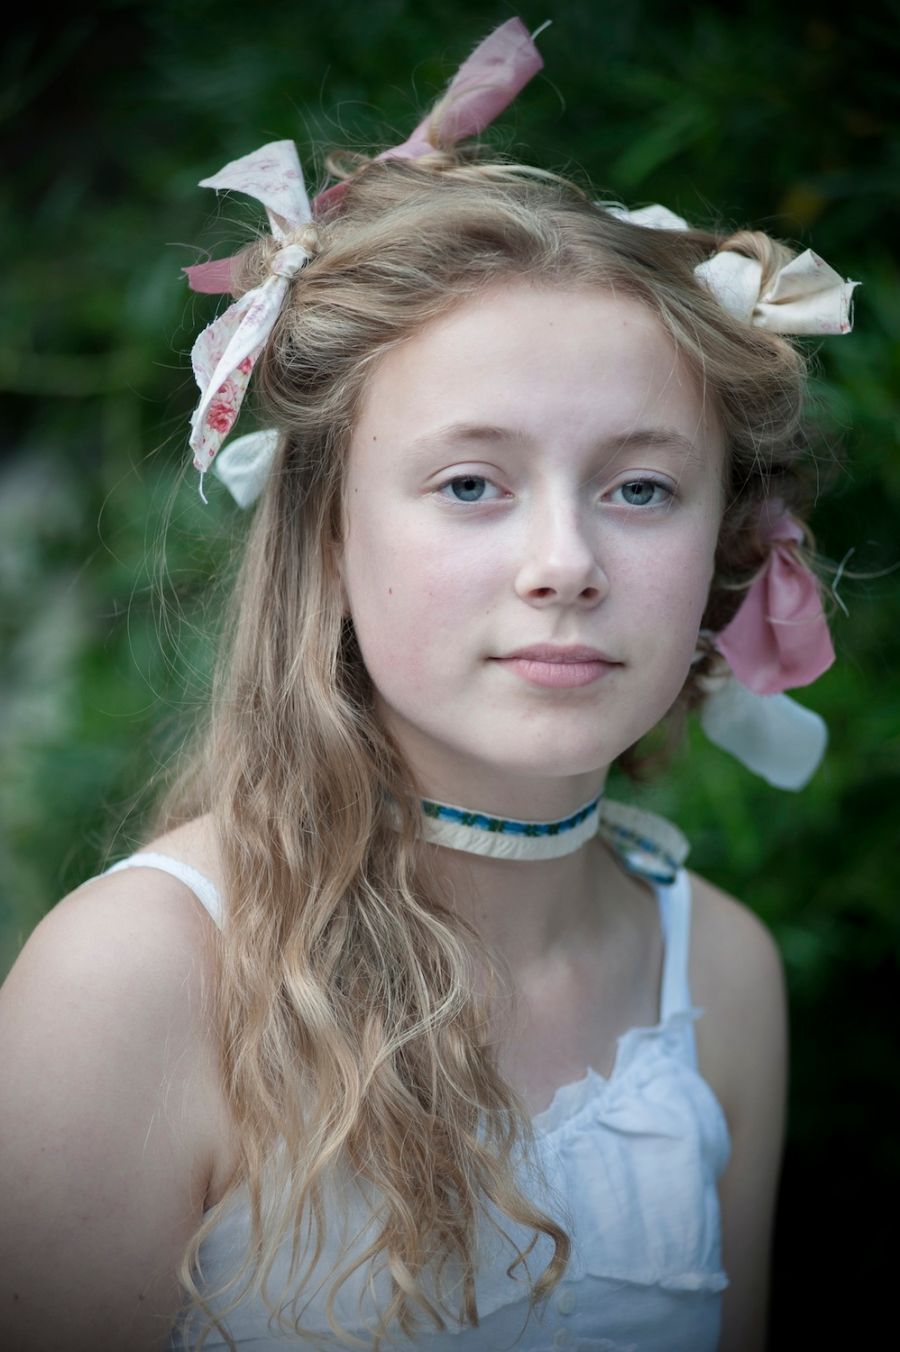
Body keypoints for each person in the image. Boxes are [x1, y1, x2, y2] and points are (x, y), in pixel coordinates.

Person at [0, 17, 858, 1352]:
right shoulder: (133, 985)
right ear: (329, 533)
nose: (565, 562)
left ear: (726, 545)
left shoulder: (721, 973)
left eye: (642, 487)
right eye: (472, 484)